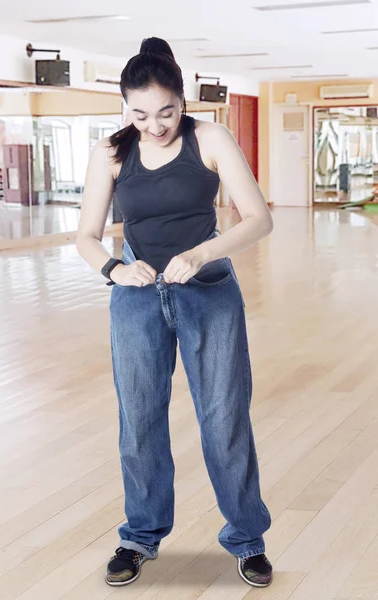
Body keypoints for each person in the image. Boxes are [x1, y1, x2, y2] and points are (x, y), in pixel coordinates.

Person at [77, 37, 274, 589]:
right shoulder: (111, 152)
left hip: (207, 288)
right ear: (124, 107)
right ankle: (139, 536)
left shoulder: (210, 138)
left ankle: (246, 538)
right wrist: (114, 270)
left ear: (181, 102)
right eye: (139, 113)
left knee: (224, 418)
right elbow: (86, 237)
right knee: (138, 420)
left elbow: (258, 218)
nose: (154, 125)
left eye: (165, 112)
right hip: (136, 296)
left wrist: (201, 253)